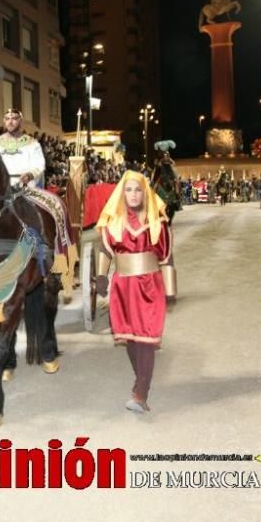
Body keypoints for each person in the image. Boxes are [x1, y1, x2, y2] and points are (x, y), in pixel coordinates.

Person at [94, 170, 172, 414]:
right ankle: (143, 378)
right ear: (122, 193)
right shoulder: (114, 222)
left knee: (145, 338)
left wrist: (170, 289)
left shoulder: (157, 222)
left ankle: (140, 394)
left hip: (149, 285)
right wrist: (100, 276)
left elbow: (168, 258)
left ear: (145, 192)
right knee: (129, 338)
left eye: (138, 189)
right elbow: (106, 251)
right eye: (128, 189)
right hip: (123, 285)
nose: (133, 194)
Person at [0, 108, 46, 188]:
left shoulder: (32, 143)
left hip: (26, 188)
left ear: (21, 121)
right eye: (7, 119)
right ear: (4, 121)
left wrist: (29, 175)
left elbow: (39, 165)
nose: (10, 122)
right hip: (1, 189)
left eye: (14, 118)